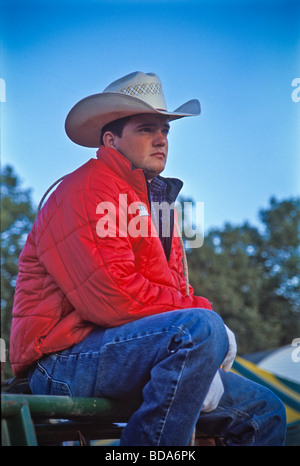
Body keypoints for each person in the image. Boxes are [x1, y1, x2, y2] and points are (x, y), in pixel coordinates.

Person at [10, 71, 286, 446]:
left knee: (266, 410)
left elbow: (169, 292)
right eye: (145, 129)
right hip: (60, 361)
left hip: (123, 352)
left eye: (166, 130)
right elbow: (112, 297)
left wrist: (201, 334)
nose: (161, 139)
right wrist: (205, 325)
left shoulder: (156, 204)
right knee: (198, 329)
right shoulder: (87, 187)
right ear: (111, 139)